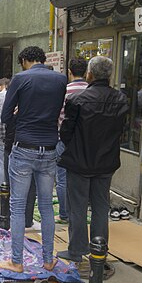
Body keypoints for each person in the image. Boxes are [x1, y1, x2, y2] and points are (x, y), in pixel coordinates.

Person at [0, 46, 67, 273]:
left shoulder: (20, 79)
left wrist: (21, 113)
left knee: (18, 206)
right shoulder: (60, 79)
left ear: (25, 60)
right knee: (46, 205)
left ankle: (17, 261)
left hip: (24, 146)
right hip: (49, 147)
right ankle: (48, 259)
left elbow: (6, 115)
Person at [56, 56, 128, 263]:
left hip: (80, 160)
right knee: (100, 206)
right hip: (106, 161)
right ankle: (99, 249)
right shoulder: (121, 99)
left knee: (77, 207)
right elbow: (120, 130)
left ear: (90, 74)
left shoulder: (77, 100)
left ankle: (77, 250)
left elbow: (66, 132)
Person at [56, 58, 89, 224]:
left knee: (62, 178)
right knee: (83, 177)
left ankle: (64, 213)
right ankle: (79, 213)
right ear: (86, 72)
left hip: (64, 139)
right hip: (87, 140)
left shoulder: (64, 90)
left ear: (69, 72)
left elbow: (57, 113)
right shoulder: (92, 90)